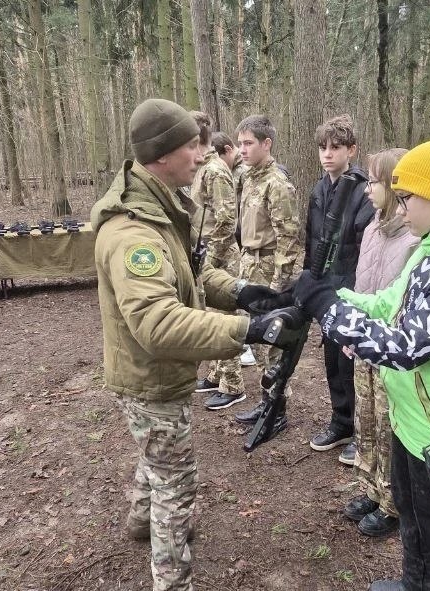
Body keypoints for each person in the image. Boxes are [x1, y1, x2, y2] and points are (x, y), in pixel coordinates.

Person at [91, 98, 307, 591]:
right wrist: (247, 331)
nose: (203, 154)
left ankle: (139, 524)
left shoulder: (159, 207)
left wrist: (240, 292)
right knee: (176, 482)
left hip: (150, 375)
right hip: (152, 377)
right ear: (162, 154)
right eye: (192, 145)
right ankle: (172, 578)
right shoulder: (134, 232)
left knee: (157, 457)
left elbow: (187, 272)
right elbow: (158, 323)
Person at [292, 140, 430, 591]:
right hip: (412, 418)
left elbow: (405, 345)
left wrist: (330, 311)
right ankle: (417, 585)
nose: (400, 204)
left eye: (407, 195)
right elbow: (385, 305)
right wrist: (326, 296)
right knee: (412, 515)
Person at [340, 147, 418, 539]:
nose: (368, 188)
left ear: (394, 185)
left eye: (374, 181)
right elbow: (362, 284)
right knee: (366, 418)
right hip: (364, 343)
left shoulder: (414, 240)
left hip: (391, 349)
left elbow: (402, 302)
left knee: (389, 423)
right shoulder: (371, 228)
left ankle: (393, 504)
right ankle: (370, 488)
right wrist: (353, 331)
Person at [303, 114, 375, 453]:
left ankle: (363, 432)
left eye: (336, 147)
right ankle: (341, 422)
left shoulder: (362, 191)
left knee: (352, 362)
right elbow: (311, 238)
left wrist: (356, 294)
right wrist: (309, 281)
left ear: (352, 150)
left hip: (352, 289)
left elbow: (365, 248)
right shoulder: (320, 188)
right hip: (325, 286)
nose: (328, 154)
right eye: (323, 148)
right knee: (332, 359)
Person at [231, 114, 302, 435]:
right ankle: (265, 400)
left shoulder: (277, 184)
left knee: (275, 343)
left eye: (248, 143)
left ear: (266, 144)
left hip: (270, 269)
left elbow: (289, 238)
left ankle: (277, 410)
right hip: (249, 265)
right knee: (258, 340)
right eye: (240, 143)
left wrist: (278, 287)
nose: (241, 149)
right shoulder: (247, 177)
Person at [191, 130, 249, 410]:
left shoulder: (214, 171)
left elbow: (226, 221)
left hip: (221, 258)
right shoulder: (204, 169)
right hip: (208, 255)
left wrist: (210, 261)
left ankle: (233, 385)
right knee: (209, 319)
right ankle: (216, 376)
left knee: (224, 321)